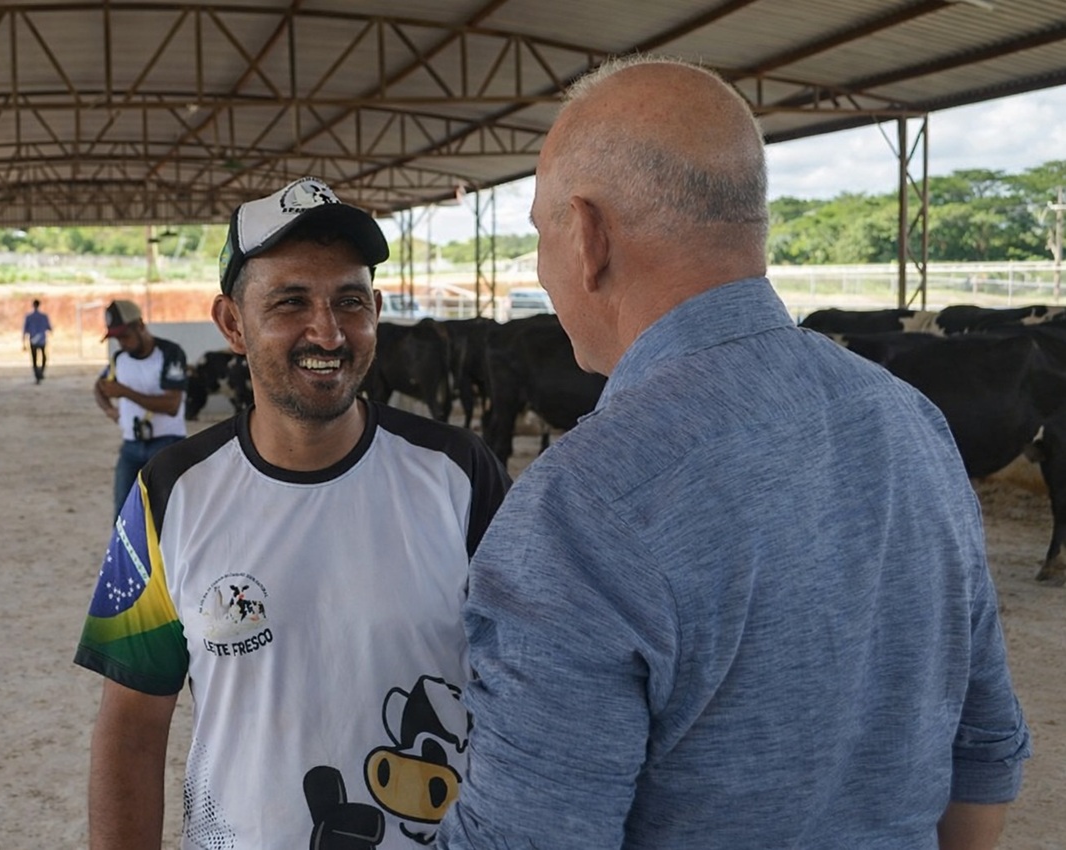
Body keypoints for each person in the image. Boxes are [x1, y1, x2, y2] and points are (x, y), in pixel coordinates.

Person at [436, 57, 1031, 849]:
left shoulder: (580, 507)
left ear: (588, 236)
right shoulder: (911, 422)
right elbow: (982, 751)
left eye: (542, 233)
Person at [74, 177, 510, 850]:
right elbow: (132, 723)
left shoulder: (460, 474)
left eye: (350, 301)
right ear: (232, 324)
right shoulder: (168, 491)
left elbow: (534, 686)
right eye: (291, 302)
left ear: (377, 311)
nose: (328, 331)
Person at [92, 299, 189, 516]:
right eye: (117, 338)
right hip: (131, 446)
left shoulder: (170, 353)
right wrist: (110, 410)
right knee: (123, 514)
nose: (121, 343)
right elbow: (99, 387)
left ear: (141, 326)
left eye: (124, 336)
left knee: (166, 514)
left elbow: (172, 404)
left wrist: (125, 393)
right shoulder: (119, 359)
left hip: (167, 445)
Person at [22, 299, 52, 383]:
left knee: (34, 359)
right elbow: (49, 328)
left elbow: (25, 330)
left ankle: (37, 374)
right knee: (44, 357)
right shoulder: (44, 316)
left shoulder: (29, 317)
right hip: (42, 339)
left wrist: (23, 342)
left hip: (33, 340)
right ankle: (41, 372)